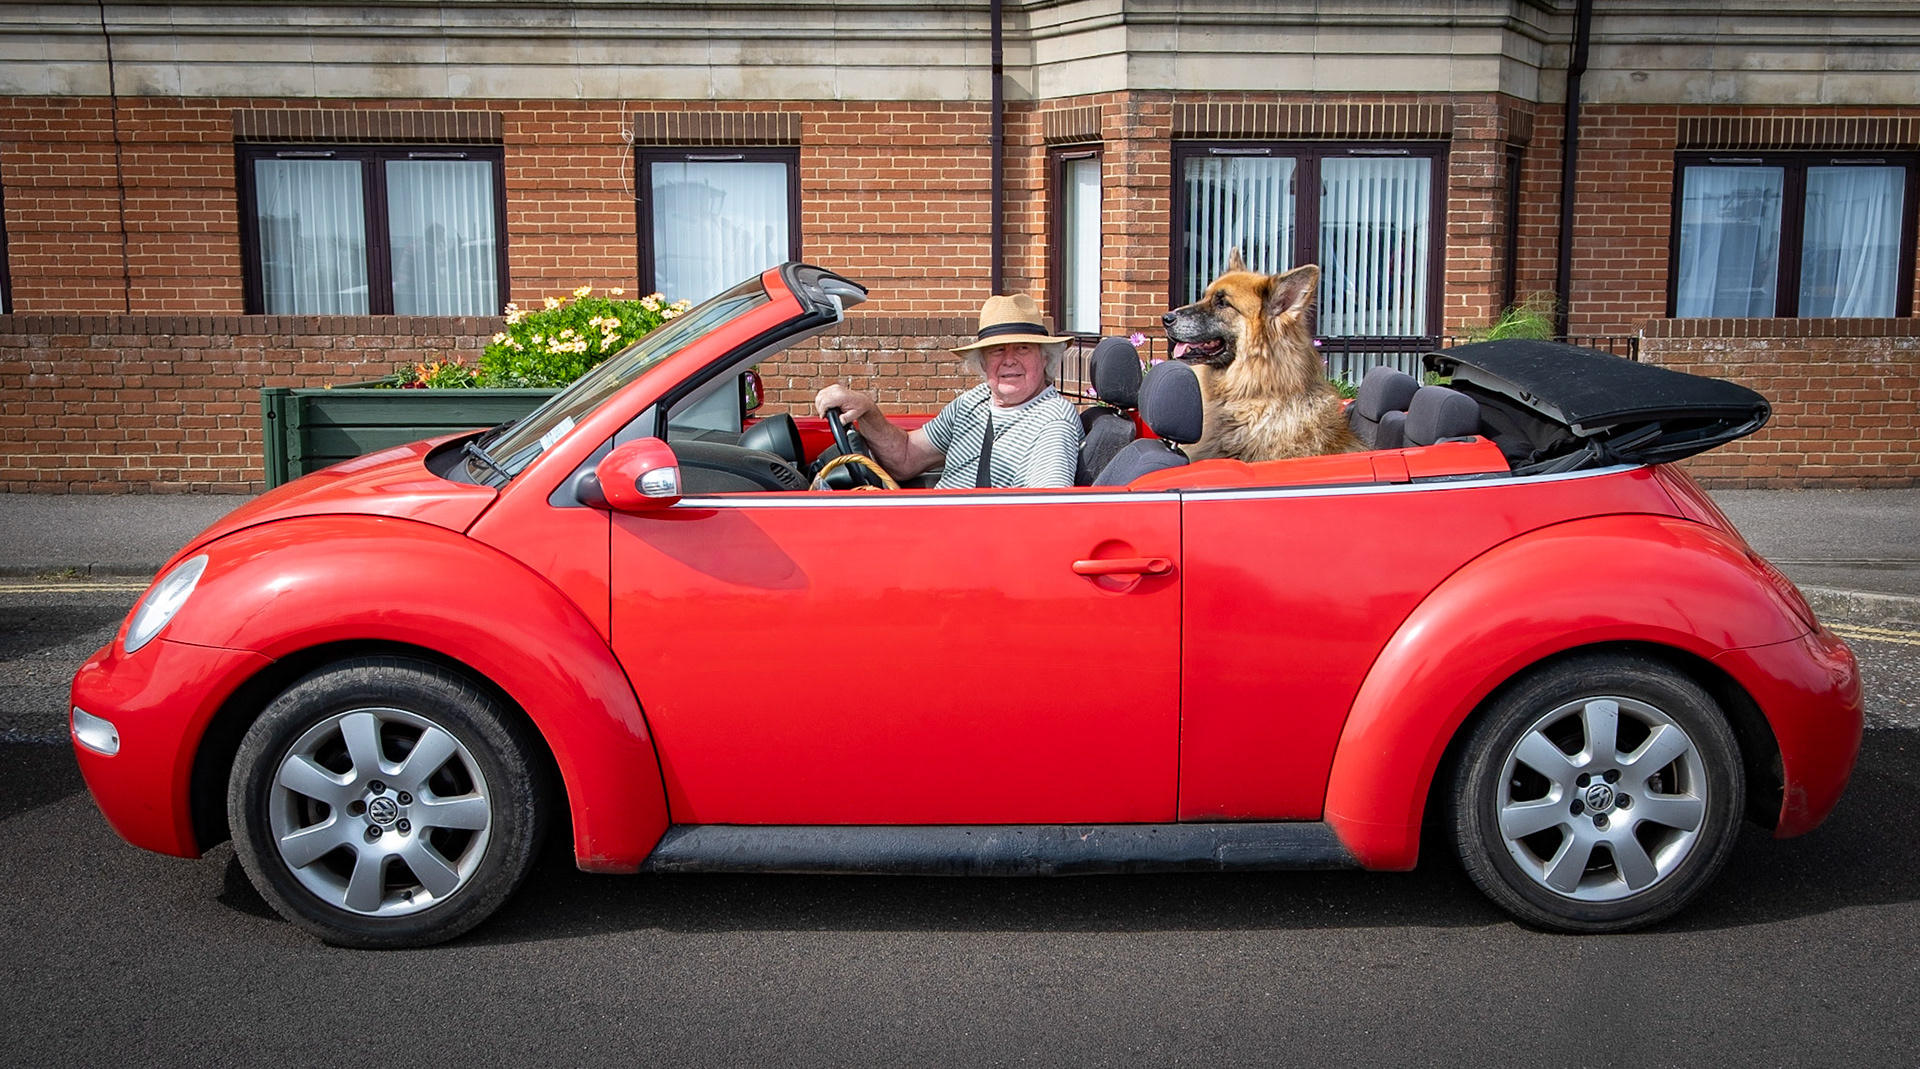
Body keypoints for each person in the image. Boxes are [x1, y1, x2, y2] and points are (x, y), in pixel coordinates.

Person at [813, 293, 1083, 489]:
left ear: (1045, 357)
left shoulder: (1052, 422)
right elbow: (905, 457)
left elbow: (1044, 516)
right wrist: (867, 410)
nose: (1009, 360)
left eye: (1022, 348)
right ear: (982, 362)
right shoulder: (974, 402)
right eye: (997, 350)